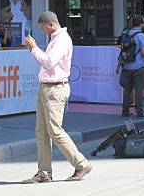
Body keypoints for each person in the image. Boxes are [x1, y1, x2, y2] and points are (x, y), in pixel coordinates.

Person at [22, 11, 92, 183]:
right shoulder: (56, 38)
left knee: (54, 130)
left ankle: (81, 163)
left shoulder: (62, 39)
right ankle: (44, 172)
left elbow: (48, 62)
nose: (43, 31)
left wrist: (34, 48)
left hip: (55, 89)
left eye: (43, 27)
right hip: (46, 87)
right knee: (42, 132)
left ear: (51, 24)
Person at [119, 15, 144, 118]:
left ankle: (125, 111)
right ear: (140, 24)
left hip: (126, 66)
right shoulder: (141, 35)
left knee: (127, 90)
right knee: (138, 89)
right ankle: (139, 112)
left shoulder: (126, 33)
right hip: (138, 66)